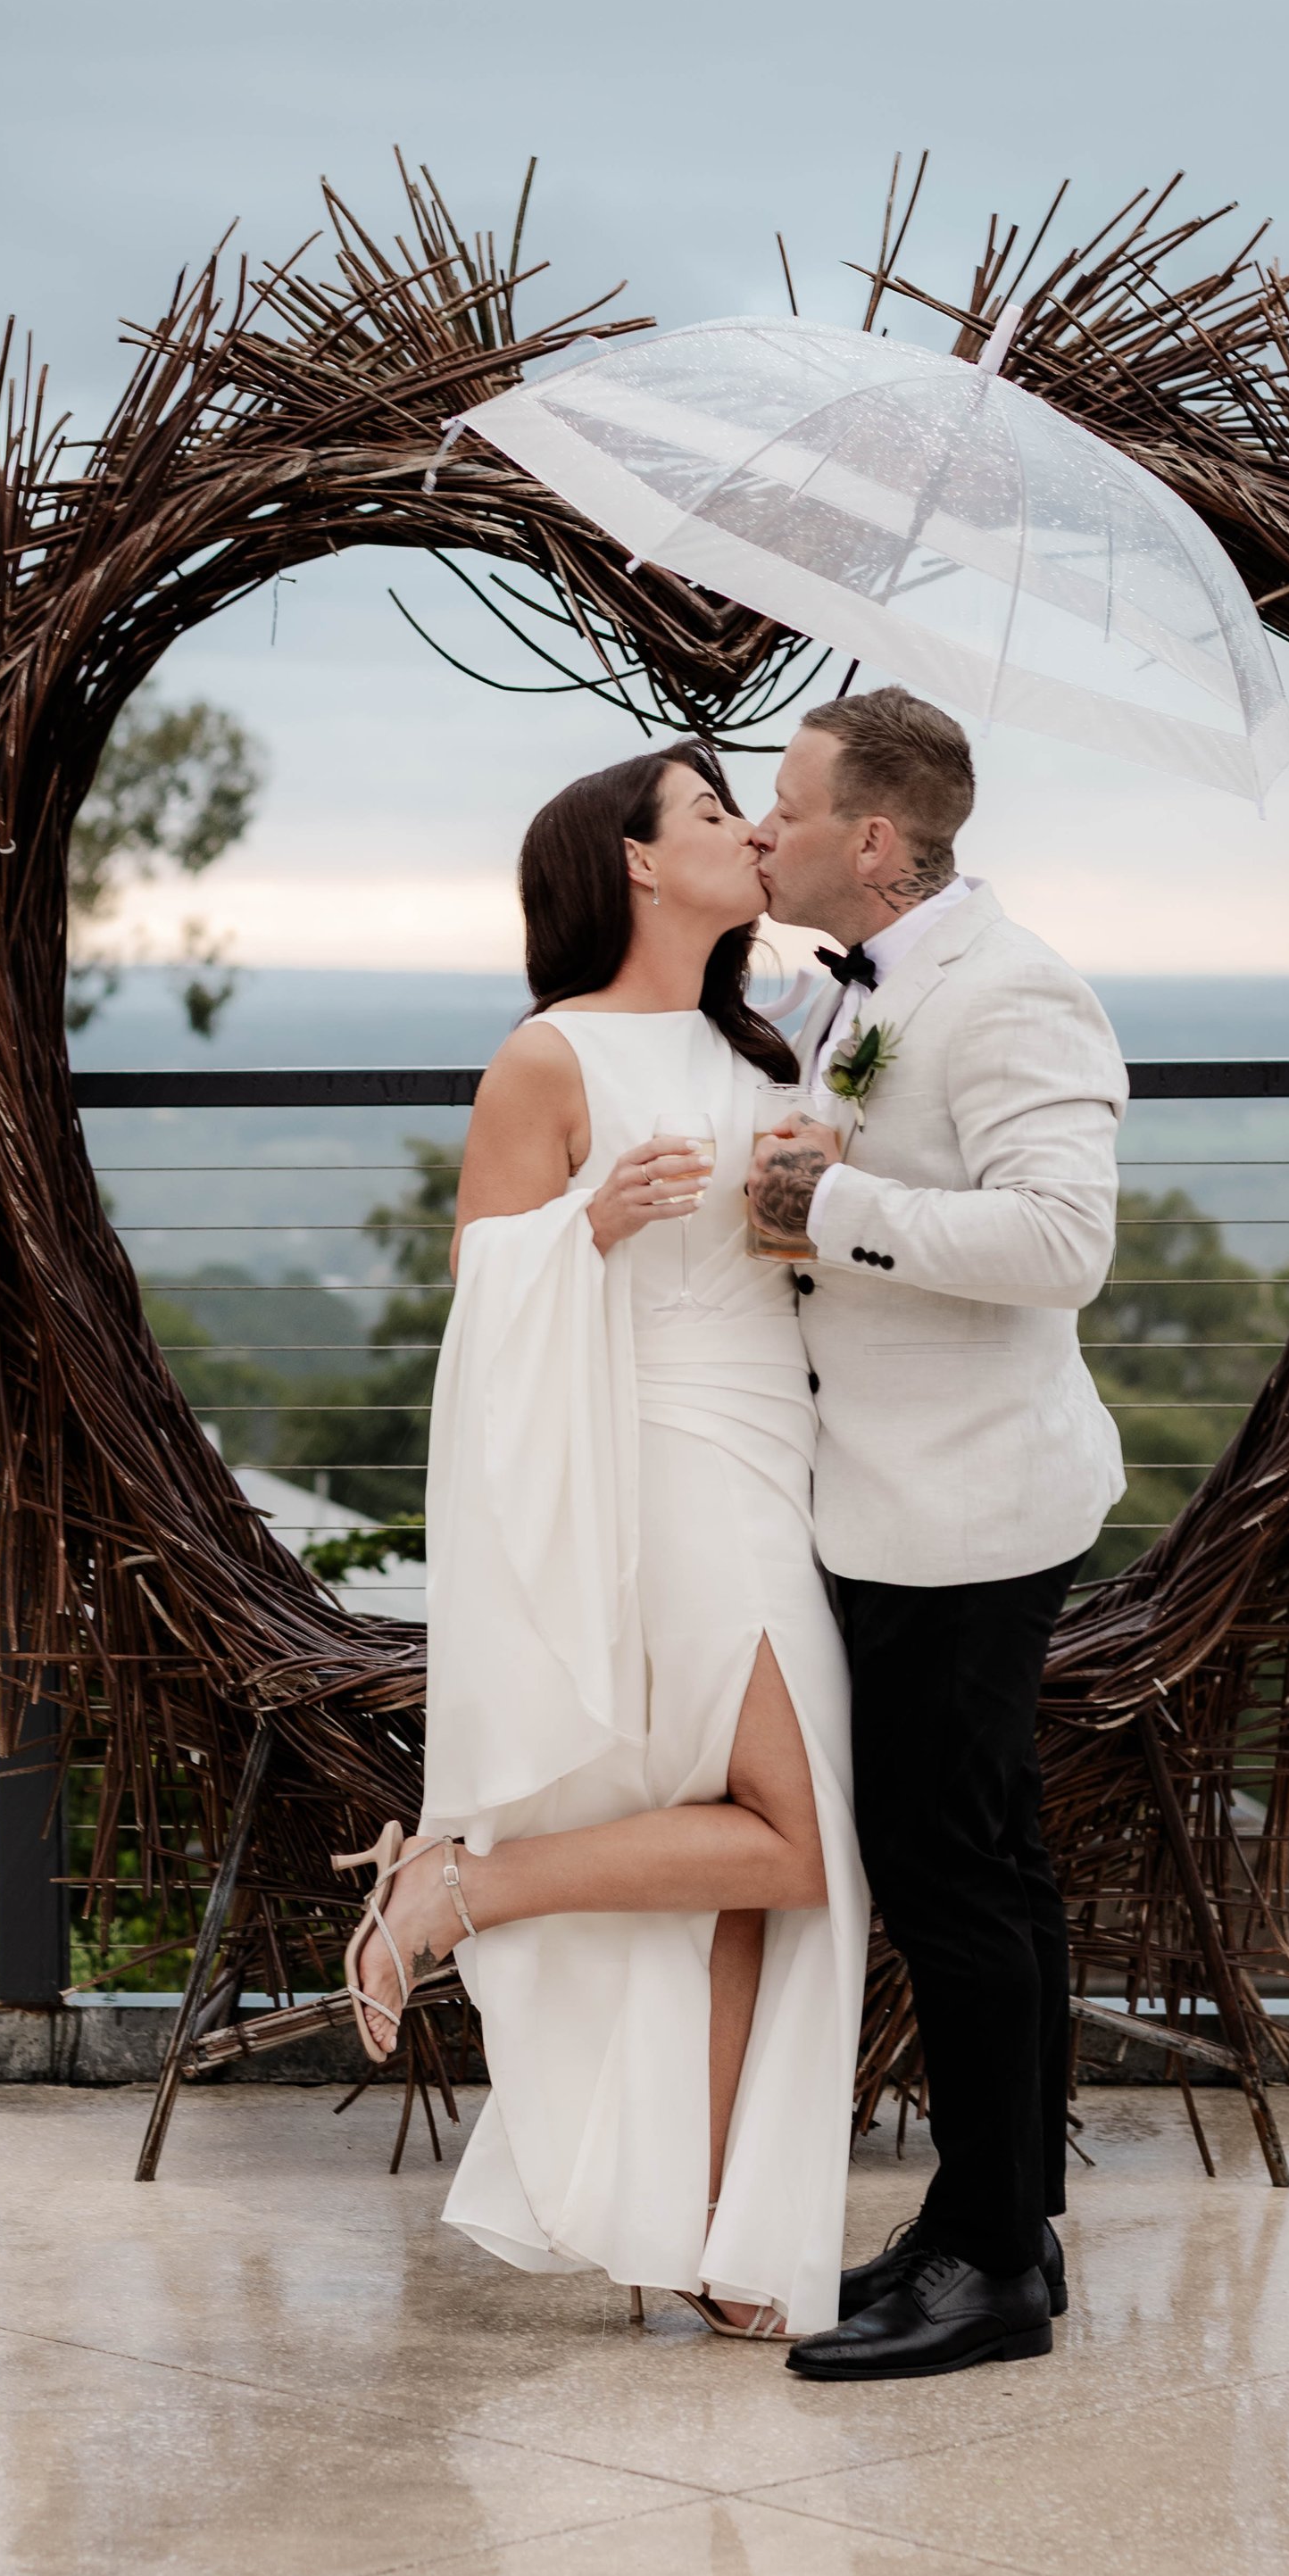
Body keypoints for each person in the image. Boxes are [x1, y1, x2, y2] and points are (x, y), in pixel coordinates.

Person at [341, 739, 869, 2341]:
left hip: (780, 1452)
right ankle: (464, 1892)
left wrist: (825, 1193)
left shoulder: (779, 1054)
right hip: (655, 1469)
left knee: (744, 1876)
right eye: (717, 813)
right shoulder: (550, 1060)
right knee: (800, 1843)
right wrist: (595, 1224)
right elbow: (480, 1305)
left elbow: (804, 1271)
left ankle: (706, 2233)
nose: (749, 833)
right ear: (637, 861)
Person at [746, 686, 1127, 2383]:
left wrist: (831, 1209)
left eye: (788, 806)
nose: (765, 830)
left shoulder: (1018, 990)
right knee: (994, 1864)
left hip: (968, 1507)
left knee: (950, 1872)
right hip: (899, 1492)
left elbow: (1060, 1244)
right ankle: (1000, 2215)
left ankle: (991, 2272)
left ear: (876, 843)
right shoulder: (862, 991)